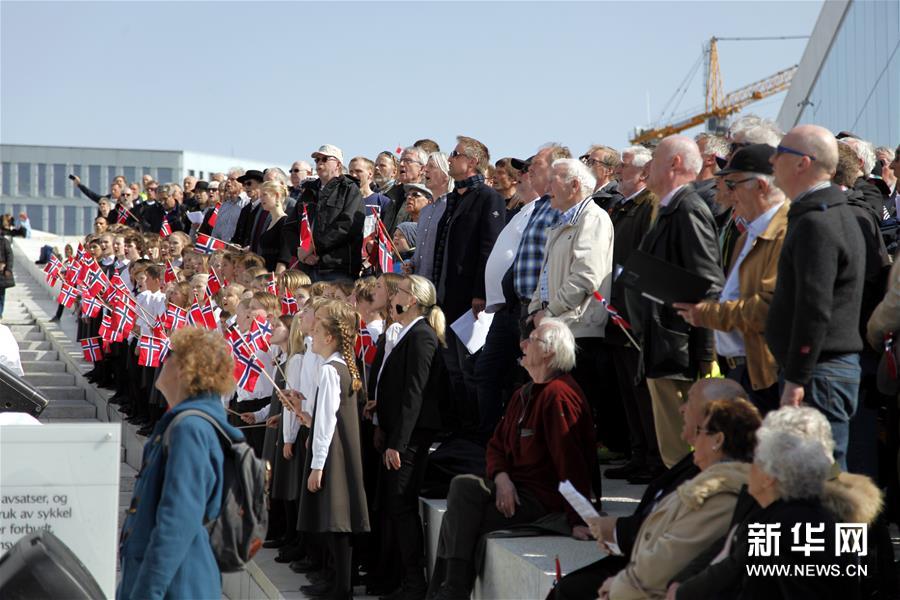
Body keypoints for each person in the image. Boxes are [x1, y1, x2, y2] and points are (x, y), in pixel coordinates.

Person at [428, 318, 596, 600]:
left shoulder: (559, 396)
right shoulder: (523, 393)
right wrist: (501, 477)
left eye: (533, 340)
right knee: (463, 487)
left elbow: (571, 462)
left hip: (542, 499)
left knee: (461, 521)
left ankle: (451, 591)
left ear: (550, 353)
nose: (523, 344)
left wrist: (579, 518)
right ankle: (449, 591)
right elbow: (495, 445)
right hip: (514, 489)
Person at [554, 378, 747, 599]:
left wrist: (618, 540)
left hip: (655, 581)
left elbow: (676, 555)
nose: (681, 408)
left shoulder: (723, 488)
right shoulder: (697, 462)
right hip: (637, 563)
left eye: (691, 401)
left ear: (717, 437)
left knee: (571, 590)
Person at [669, 406, 883, 600]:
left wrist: (680, 593)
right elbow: (728, 550)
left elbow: (733, 571)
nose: (748, 468)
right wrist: (680, 586)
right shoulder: (773, 507)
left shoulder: (788, 524)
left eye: (756, 461)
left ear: (770, 476)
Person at [765, 124, 866, 469]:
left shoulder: (817, 222)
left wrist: (797, 377)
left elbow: (814, 307)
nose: (772, 160)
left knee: (820, 476)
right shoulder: (823, 213)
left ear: (802, 163)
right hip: (821, 370)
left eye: (780, 153)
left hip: (818, 373)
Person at [117, 327, 242, 600]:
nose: (163, 359)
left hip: (176, 586)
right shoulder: (187, 423)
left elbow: (178, 519)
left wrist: (147, 592)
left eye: (169, 355)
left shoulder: (190, 429)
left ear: (186, 369)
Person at [596, 397, 761, 599]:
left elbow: (670, 560)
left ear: (717, 440)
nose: (690, 438)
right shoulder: (706, 483)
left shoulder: (722, 496)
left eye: (700, 431)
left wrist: (618, 587)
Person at [626, 135, 724, 468]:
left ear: (674, 163)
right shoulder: (670, 208)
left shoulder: (688, 208)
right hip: (664, 347)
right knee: (675, 451)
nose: (646, 170)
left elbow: (709, 282)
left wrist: (705, 355)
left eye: (653, 161)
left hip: (678, 353)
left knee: (682, 453)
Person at [674, 144, 787, 414]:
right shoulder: (747, 234)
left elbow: (767, 308)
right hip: (741, 367)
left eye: (733, 185)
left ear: (761, 186)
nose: (726, 194)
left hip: (766, 372)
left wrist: (708, 315)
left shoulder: (783, 232)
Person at [528, 157, 614, 492]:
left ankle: (584, 498)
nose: (547, 187)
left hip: (578, 331)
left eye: (554, 180)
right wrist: (535, 312)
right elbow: (545, 277)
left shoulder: (593, 218)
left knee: (574, 423)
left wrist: (548, 311)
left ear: (575, 185)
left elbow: (586, 277)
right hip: (555, 327)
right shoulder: (561, 222)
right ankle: (560, 492)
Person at [369, 275, 447, 600]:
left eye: (398, 292)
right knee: (393, 506)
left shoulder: (422, 336)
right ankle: (399, 578)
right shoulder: (407, 333)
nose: (392, 298)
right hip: (397, 434)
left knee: (402, 506)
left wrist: (397, 443)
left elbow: (415, 393)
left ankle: (415, 584)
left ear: (412, 299)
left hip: (410, 439)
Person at [297, 300, 370, 600]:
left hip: (332, 454)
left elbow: (327, 421)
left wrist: (317, 465)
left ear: (329, 337)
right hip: (341, 451)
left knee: (336, 519)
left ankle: (342, 588)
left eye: (316, 332)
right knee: (336, 518)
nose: (311, 336)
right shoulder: (341, 366)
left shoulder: (330, 370)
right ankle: (337, 582)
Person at [432, 135, 505, 434]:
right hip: (446, 297)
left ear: (472, 162)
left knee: (470, 368)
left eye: (455, 153)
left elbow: (490, 248)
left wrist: (480, 292)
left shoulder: (488, 197)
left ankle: (480, 432)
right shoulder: (453, 198)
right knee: (453, 369)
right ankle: (462, 430)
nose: (449, 158)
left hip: (469, 301)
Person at [603, 145, 662, 483]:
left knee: (642, 391)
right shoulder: (621, 206)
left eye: (624, 166)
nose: (617, 171)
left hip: (633, 312)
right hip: (615, 308)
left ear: (643, 172)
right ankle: (638, 453)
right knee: (627, 391)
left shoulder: (649, 205)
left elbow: (644, 257)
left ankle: (654, 457)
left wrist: (632, 305)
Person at [282, 145, 365, 282]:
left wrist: (314, 247)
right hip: (307, 267)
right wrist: (300, 251)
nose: (319, 163)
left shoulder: (349, 189)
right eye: (317, 160)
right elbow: (290, 225)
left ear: (338, 164)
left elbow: (347, 226)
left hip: (337, 269)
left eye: (325, 159)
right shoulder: (309, 191)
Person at [408, 152, 452, 281]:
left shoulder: (452, 207)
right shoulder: (425, 211)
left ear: (446, 174)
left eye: (431, 166)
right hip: (419, 282)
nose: (425, 170)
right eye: (426, 166)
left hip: (440, 283)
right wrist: (411, 264)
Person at [257, 181, 291, 273]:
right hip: (265, 273)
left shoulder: (285, 222)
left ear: (277, 196)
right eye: (260, 196)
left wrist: (276, 279)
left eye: (264, 195)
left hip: (275, 275)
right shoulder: (270, 222)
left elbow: (284, 257)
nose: (261, 199)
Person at [583, 144, 624, 210]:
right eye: (588, 161)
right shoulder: (584, 194)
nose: (588, 165)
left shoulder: (615, 198)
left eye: (593, 162)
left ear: (609, 170)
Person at [0, 232, 14, 318]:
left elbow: (10, 256)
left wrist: (8, 269)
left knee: (1, 294)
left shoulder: (4, 241)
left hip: (2, 272)